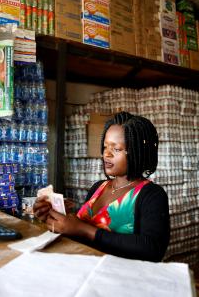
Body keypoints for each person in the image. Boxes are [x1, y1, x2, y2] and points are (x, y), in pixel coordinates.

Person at [33, 111, 170, 262]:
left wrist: (83, 230)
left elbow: (152, 249)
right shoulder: (98, 187)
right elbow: (80, 227)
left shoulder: (151, 195)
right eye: (105, 147)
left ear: (138, 151)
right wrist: (56, 214)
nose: (107, 154)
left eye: (116, 149)